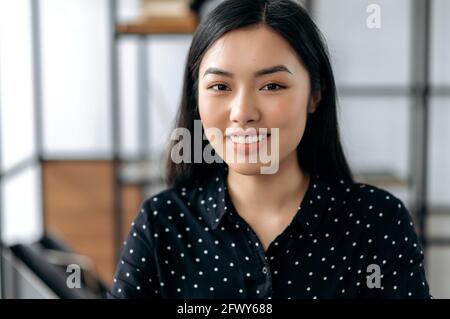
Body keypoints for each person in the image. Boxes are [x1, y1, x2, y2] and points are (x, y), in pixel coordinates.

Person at [108, 0, 432, 299]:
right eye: (220, 87)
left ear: (314, 95)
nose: (243, 111)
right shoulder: (162, 223)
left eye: (272, 86)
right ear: (196, 98)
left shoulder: (377, 223)